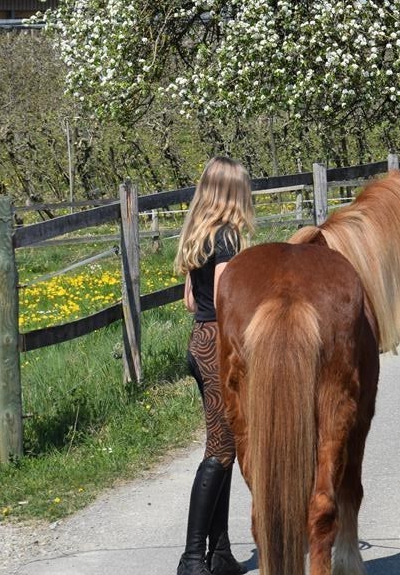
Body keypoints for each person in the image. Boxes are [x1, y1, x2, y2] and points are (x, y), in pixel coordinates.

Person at [174, 155, 254, 575]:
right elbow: (227, 299)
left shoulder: (197, 234)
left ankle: (219, 553)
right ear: (231, 192)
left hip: (198, 340)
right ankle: (191, 559)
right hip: (219, 344)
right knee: (221, 449)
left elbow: (192, 301)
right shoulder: (227, 238)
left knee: (224, 445)